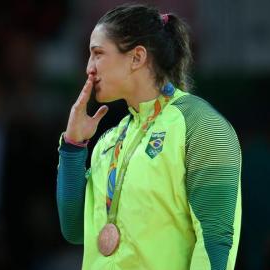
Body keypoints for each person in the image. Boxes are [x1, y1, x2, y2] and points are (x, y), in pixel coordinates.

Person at [56, 3, 241, 270]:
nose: (89, 68)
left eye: (97, 54)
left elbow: (216, 241)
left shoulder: (202, 126)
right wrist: (73, 148)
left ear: (136, 57)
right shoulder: (109, 140)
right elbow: (74, 230)